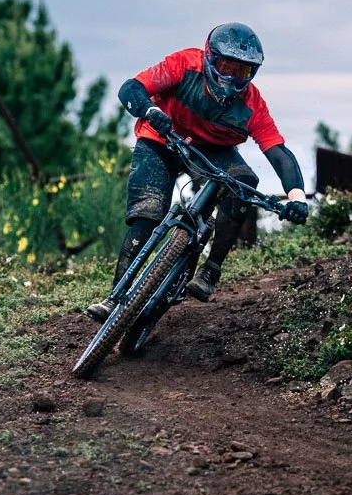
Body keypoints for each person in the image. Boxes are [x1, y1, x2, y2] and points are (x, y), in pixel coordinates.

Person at [86, 22, 307, 323]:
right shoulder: (183, 64)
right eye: (225, 66)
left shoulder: (252, 105)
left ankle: (211, 268)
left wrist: (297, 197)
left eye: (242, 72)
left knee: (242, 183)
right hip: (161, 138)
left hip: (212, 151)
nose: (231, 78)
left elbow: (278, 152)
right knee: (147, 215)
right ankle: (115, 299)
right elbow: (131, 88)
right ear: (208, 58)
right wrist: (152, 111)